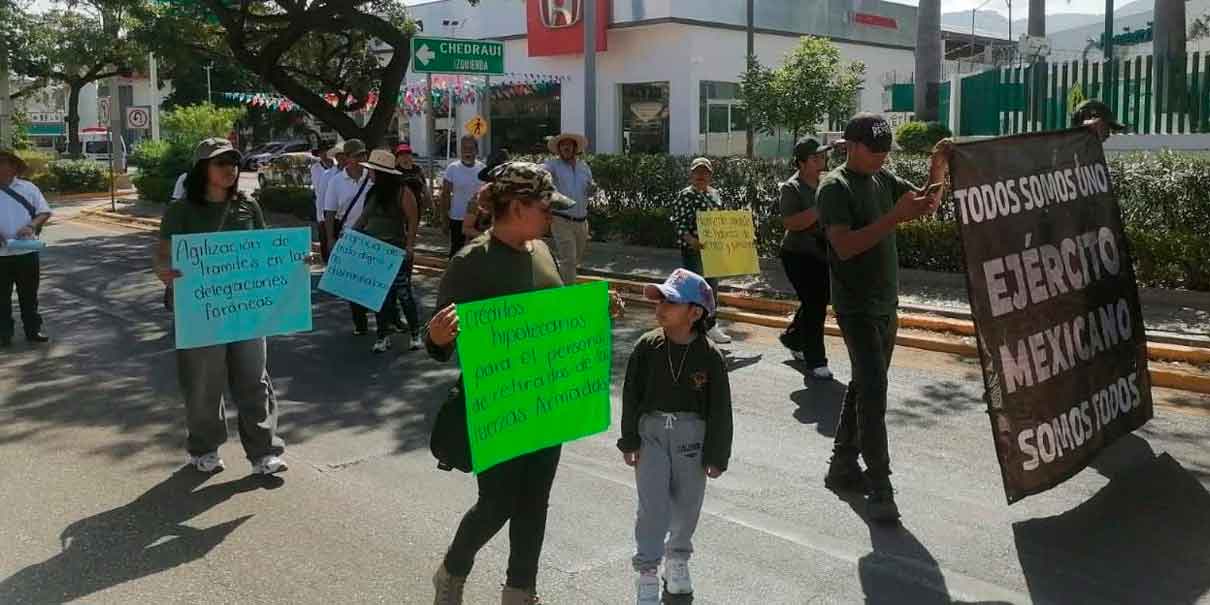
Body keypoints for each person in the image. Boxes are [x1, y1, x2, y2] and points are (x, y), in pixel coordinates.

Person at [427, 162, 576, 605]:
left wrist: (591, 314)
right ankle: (452, 570)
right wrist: (436, 337)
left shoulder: (542, 251)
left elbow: (556, 318)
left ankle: (520, 591)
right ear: (515, 207)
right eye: (546, 207)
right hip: (497, 402)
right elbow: (439, 344)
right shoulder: (471, 262)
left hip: (547, 399)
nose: (553, 217)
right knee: (498, 503)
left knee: (535, 502)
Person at [816, 113, 949, 523]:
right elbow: (844, 247)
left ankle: (842, 463)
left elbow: (925, 204)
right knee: (874, 392)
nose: (880, 159)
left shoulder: (883, 179)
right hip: (855, 306)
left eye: (885, 152)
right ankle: (880, 486)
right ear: (851, 146)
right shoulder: (834, 187)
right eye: (873, 152)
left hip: (885, 304)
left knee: (864, 383)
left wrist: (938, 167)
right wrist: (893, 218)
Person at [152, 138, 289, 476]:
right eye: (220, 163)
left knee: (254, 380)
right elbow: (162, 255)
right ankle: (205, 448)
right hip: (201, 311)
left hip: (246, 309)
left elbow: (265, 251)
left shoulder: (247, 206)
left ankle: (263, 451)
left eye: (233, 162)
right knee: (203, 382)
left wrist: (291, 262)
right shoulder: (181, 211)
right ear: (202, 169)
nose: (229, 169)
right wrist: (164, 272)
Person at [618, 268, 733, 605]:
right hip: (651, 432)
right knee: (652, 505)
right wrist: (630, 440)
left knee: (687, 503)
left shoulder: (710, 357)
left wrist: (716, 454)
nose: (661, 306)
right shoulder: (647, 346)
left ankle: (678, 560)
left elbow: (719, 410)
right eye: (660, 299)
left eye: (671, 301)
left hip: (691, 437)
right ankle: (648, 571)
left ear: (695, 313)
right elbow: (631, 395)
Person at [351, 149, 422, 353]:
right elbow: (363, 218)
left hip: (396, 250)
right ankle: (383, 336)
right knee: (380, 296)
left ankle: (416, 334)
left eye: (372, 171)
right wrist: (350, 236)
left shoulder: (402, 192)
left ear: (381, 173)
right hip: (375, 250)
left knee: (404, 293)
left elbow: (412, 219)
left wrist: (410, 245)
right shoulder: (373, 193)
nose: (370, 174)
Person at [778, 137, 835, 379]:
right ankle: (816, 360)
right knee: (815, 304)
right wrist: (819, 208)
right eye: (815, 157)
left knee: (819, 300)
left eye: (822, 155)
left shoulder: (828, 182)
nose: (821, 159)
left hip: (823, 254)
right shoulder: (791, 188)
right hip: (797, 255)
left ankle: (792, 337)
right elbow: (791, 222)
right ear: (801, 163)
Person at [668, 157, 732, 345]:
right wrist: (690, 240)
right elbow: (678, 222)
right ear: (691, 174)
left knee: (712, 289)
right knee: (696, 288)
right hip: (693, 250)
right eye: (697, 172)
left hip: (713, 251)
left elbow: (723, 220)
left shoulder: (715, 194)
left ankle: (710, 326)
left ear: (710, 175)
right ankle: (693, 327)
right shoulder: (685, 195)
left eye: (705, 172)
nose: (700, 175)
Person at [0, 149, 52, 347]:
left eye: (4, 163)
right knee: (1, 298)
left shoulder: (28, 188)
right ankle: (4, 333)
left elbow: (44, 212)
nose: (1, 167)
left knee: (29, 295)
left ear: (14, 167)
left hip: (26, 251)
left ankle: (33, 330)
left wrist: (31, 225)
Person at [322, 139, 374, 335]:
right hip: (348, 237)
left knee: (376, 280)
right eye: (357, 156)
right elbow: (329, 213)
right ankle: (360, 323)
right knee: (354, 284)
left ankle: (387, 321)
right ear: (347, 158)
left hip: (372, 236)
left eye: (364, 155)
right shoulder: (336, 182)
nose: (362, 159)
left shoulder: (372, 178)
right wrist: (330, 239)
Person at [542, 133, 595, 285]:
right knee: (569, 260)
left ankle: (556, 283)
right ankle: (567, 298)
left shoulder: (584, 167)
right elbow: (541, 172)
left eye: (569, 145)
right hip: (561, 219)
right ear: (559, 149)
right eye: (562, 145)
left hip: (582, 222)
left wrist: (593, 189)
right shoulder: (552, 165)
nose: (566, 147)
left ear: (575, 148)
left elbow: (590, 187)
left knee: (574, 261)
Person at [437, 136, 485, 258]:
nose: (468, 151)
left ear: (477, 150)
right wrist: (444, 219)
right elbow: (445, 194)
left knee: (477, 252)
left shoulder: (483, 169)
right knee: (457, 251)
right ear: (460, 150)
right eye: (464, 148)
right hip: (457, 217)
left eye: (471, 148)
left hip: (477, 219)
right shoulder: (452, 168)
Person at [311, 143, 337, 260]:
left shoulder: (337, 167)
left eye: (325, 151)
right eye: (321, 152)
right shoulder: (316, 168)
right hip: (322, 207)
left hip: (337, 209)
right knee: (324, 239)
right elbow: (318, 190)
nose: (323, 154)